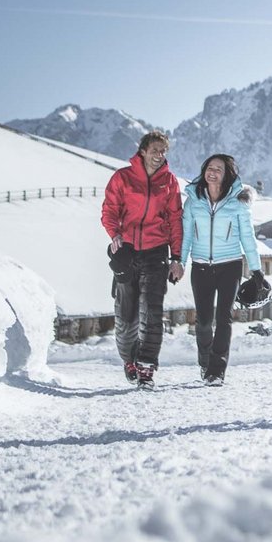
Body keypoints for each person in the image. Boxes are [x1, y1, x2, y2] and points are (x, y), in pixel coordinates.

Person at [101, 131, 183, 388]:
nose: (160, 156)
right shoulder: (122, 178)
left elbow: (175, 220)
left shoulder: (169, 182)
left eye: (164, 152)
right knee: (126, 315)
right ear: (143, 151)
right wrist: (114, 234)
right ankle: (129, 359)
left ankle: (147, 367)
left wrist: (177, 257)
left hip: (156, 251)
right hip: (126, 252)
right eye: (156, 150)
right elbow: (109, 210)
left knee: (153, 312)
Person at [178, 153, 266, 386]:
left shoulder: (238, 202)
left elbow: (248, 237)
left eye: (218, 169)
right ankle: (205, 362)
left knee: (223, 318)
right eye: (210, 167)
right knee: (204, 321)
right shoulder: (193, 200)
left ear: (227, 175)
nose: (213, 171)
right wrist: (179, 261)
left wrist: (257, 271)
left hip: (230, 266)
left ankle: (217, 370)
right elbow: (186, 235)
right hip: (201, 267)